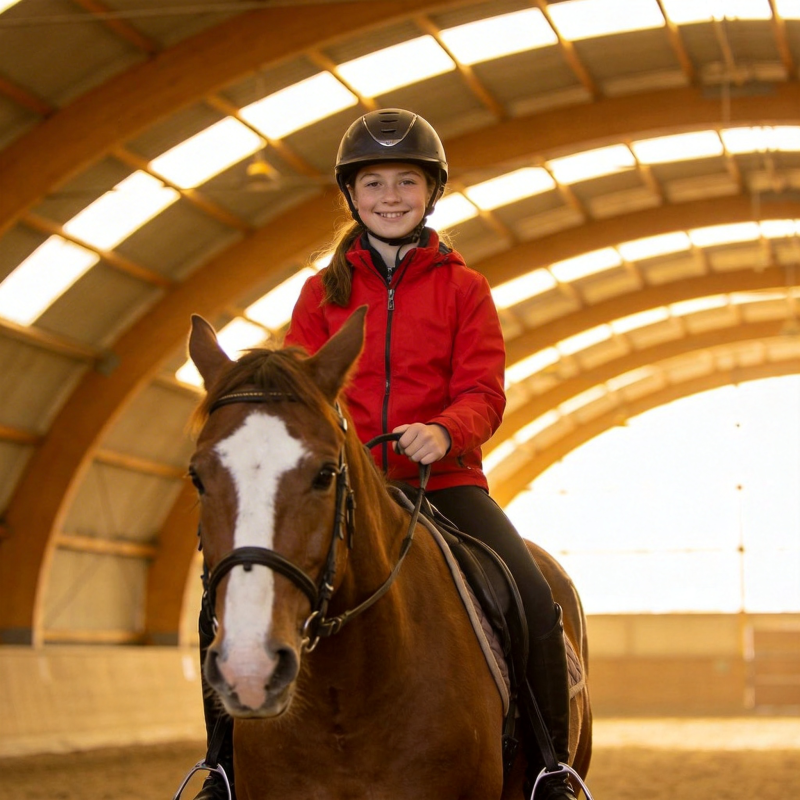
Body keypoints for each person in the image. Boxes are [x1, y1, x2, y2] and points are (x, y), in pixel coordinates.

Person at [193, 108, 577, 800]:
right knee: (226, 593)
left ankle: (551, 768)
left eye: (407, 182)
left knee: (532, 594)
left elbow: (485, 390)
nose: (391, 197)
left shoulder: (466, 288)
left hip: (449, 481)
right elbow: (300, 394)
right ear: (352, 195)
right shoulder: (321, 293)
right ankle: (223, 767)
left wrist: (447, 430)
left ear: (431, 193)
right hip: (342, 481)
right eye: (375, 183)